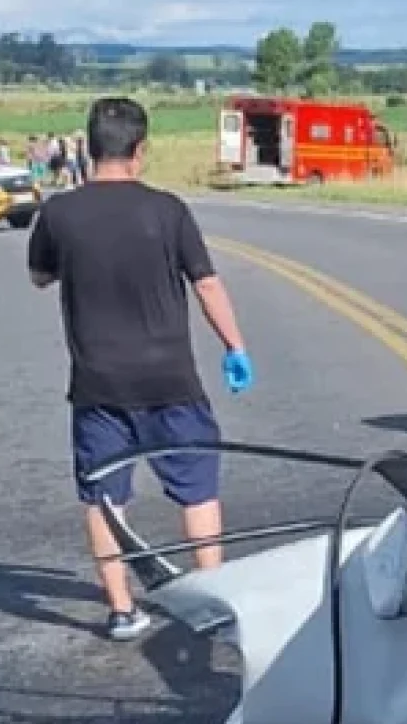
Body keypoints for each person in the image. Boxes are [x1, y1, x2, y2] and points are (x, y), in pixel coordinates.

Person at [27, 96, 255, 641]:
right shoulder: (167, 210)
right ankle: (214, 600)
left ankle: (122, 609)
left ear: (88, 147)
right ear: (140, 149)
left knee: (104, 497)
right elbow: (206, 283)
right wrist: (235, 346)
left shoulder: (59, 213)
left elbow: (39, 276)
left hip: (98, 384)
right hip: (171, 379)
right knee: (198, 490)